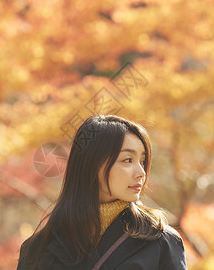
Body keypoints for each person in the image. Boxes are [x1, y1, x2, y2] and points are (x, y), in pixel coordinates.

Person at [17, 115, 187, 270]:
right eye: (127, 160)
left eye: (142, 161)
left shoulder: (160, 241)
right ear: (92, 165)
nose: (141, 172)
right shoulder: (38, 249)